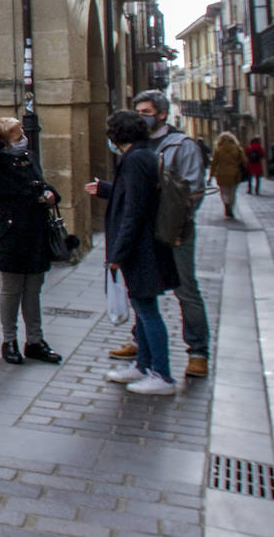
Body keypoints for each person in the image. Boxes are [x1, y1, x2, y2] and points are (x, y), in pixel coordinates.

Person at [107, 91, 210, 380]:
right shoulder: (137, 148)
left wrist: (177, 227)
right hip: (145, 233)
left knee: (185, 290)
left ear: (162, 113)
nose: (142, 115)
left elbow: (192, 192)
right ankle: (143, 347)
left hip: (173, 232)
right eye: (138, 110)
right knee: (144, 291)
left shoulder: (181, 145)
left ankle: (198, 351)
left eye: (146, 110)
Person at [87, 110, 180, 396]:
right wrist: (106, 189)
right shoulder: (140, 157)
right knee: (142, 310)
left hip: (142, 249)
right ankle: (144, 365)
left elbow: (135, 210)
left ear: (118, 134)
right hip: (143, 247)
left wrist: (118, 252)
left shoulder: (136, 159)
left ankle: (161, 374)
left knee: (148, 312)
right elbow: (133, 195)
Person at [0, 117, 62, 366]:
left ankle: (35, 341)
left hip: (35, 231)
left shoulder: (28, 156)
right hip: (9, 233)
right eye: (17, 131)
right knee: (12, 290)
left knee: (33, 289)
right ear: (4, 137)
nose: (22, 134)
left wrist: (51, 194)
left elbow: (41, 182)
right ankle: (9, 340)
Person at [210, 132, 245, 219]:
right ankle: (231, 207)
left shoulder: (218, 149)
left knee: (224, 191)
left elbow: (214, 163)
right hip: (234, 173)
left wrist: (210, 176)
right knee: (232, 192)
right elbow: (245, 160)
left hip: (221, 173)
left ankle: (226, 204)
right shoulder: (238, 148)